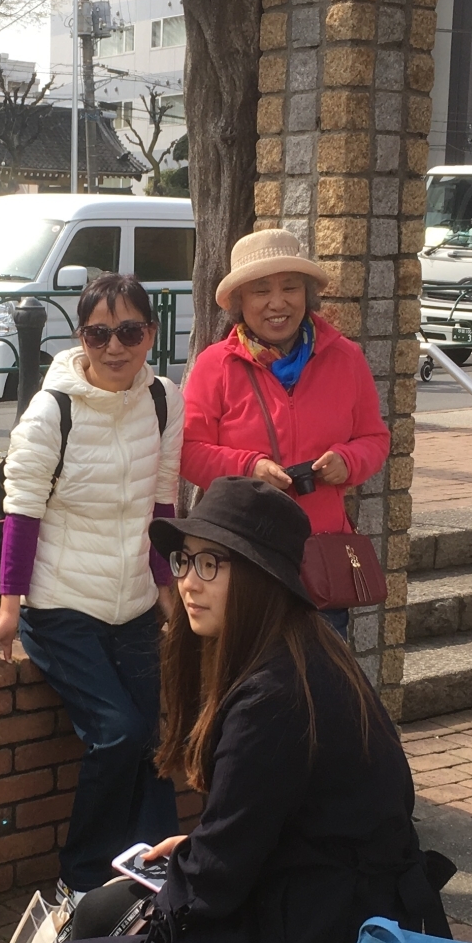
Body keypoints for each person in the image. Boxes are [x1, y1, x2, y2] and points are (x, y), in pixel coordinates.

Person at [7, 476, 452, 943]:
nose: (188, 582)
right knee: (102, 913)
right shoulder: (306, 651)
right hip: (335, 911)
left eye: (212, 564)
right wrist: (191, 853)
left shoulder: (275, 695)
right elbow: (274, 828)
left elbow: (218, 881)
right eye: (185, 560)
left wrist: (165, 905)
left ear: (263, 578)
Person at [0, 272, 185, 905]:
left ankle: (152, 874)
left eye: (131, 332)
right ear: (81, 336)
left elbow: (162, 502)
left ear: (151, 334)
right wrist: (9, 611)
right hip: (61, 608)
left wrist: (168, 594)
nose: (115, 348)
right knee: (117, 733)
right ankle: (81, 878)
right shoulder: (52, 408)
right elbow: (21, 512)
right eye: (98, 333)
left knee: (157, 737)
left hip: (134, 602)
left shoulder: (165, 399)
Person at [181, 228, 390, 638]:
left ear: (307, 295)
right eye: (260, 291)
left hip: (319, 558)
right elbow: (189, 451)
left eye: (290, 288)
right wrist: (248, 467)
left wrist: (347, 462)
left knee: (320, 686)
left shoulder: (346, 358)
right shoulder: (215, 365)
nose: (277, 303)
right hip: (242, 560)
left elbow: (375, 439)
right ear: (241, 302)